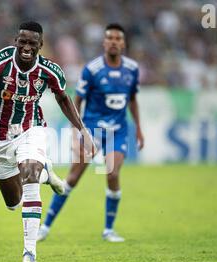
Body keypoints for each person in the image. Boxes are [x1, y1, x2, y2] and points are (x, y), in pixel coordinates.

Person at [0, 21, 95, 262]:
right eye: (22, 41)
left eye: (32, 44)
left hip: (31, 128)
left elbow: (62, 98)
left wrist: (83, 130)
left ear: (40, 46)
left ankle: (30, 254)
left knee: (30, 176)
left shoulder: (50, 71)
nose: (26, 47)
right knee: (13, 202)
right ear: (16, 41)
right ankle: (47, 172)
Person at [37, 23, 145, 243]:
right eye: (110, 38)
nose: (114, 41)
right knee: (73, 178)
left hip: (118, 131)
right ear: (104, 43)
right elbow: (77, 99)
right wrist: (76, 132)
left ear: (123, 43)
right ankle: (45, 227)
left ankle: (108, 230)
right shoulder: (92, 69)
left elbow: (132, 99)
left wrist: (139, 128)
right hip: (92, 130)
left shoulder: (132, 69)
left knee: (112, 174)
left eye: (118, 38)